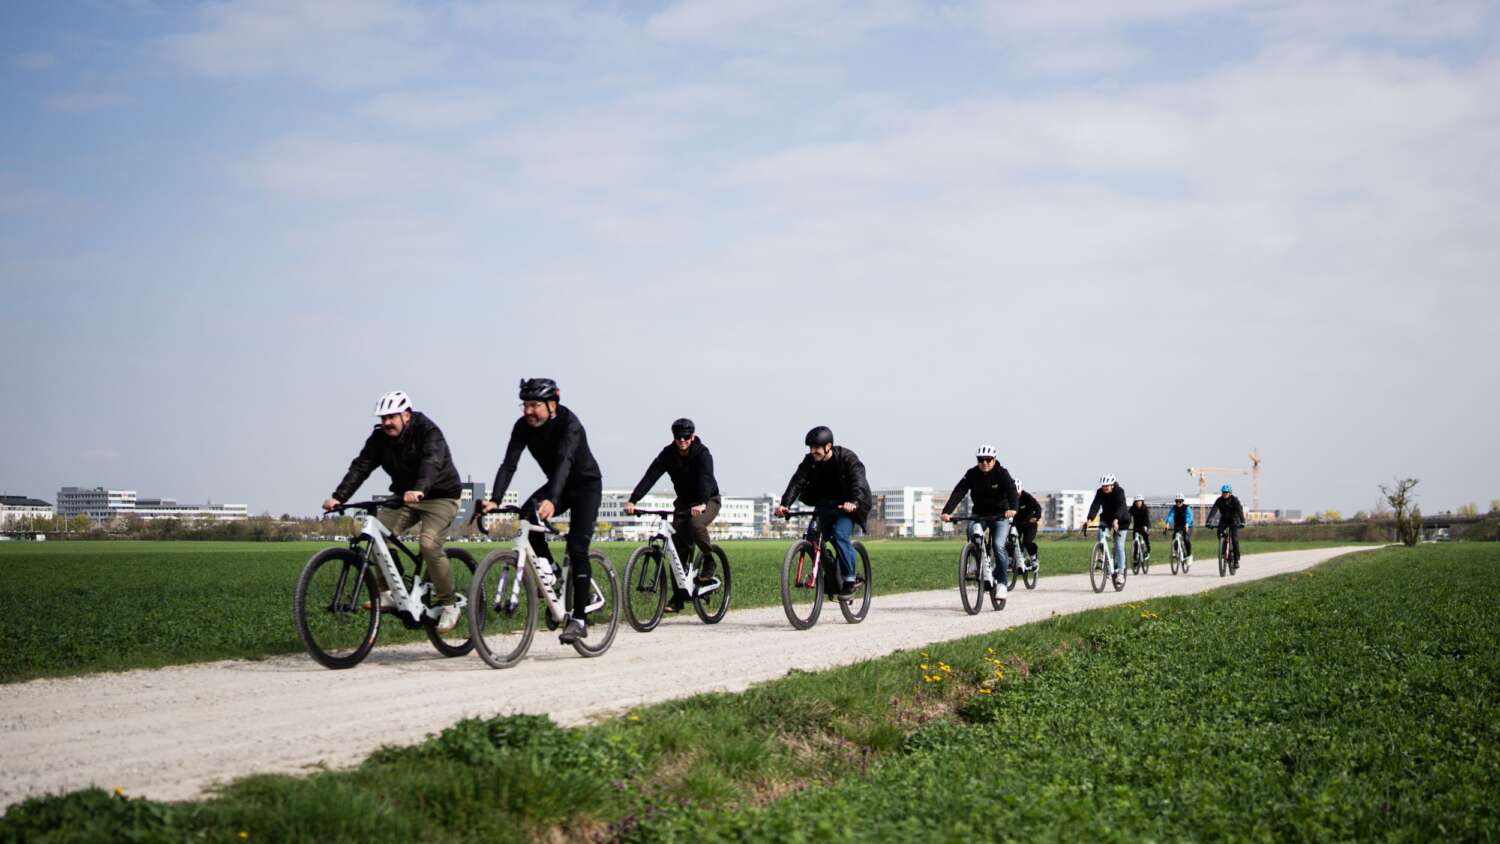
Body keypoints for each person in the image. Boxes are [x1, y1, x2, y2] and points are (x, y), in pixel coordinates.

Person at [324, 390, 463, 633]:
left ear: (406, 415)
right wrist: (339, 497)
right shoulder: (379, 438)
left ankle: (449, 604)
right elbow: (361, 466)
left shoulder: (428, 431)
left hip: (441, 496)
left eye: (391, 417)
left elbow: (432, 462)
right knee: (374, 533)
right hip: (405, 498)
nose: (386, 423)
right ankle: (390, 591)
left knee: (429, 545)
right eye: (383, 418)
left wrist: (419, 489)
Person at [481, 378, 603, 645]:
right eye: (525, 405)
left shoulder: (570, 424)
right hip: (558, 484)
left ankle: (580, 620)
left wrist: (552, 500)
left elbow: (564, 461)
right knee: (526, 516)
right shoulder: (522, 427)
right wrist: (495, 499)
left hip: (585, 485)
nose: (528, 411)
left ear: (552, 405)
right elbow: (509, 464)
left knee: (577, 547)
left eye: (534, 405)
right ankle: (553, 573)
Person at [624, 417, 721, 613]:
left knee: (695, 525)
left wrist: (702, 503)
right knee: (675, 548)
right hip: (684, 504)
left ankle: (709, 558)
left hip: (708, 500)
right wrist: (633, 500)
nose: (682, 441)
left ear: (692, 436)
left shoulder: (702, 454)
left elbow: (706, 479)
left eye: (686, 437)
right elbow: (651, 476)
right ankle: (678, 598)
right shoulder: (668, 454)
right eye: (678, 438)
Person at [774, 426, 872, 598]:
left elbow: (859, 482)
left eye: (816, 448)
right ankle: (830, 573)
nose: (812, 451)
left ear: (828, 446)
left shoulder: (847, 458)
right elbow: (797, 481)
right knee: (812, 538)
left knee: (839, 535)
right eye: (810, 448)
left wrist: (854, 502)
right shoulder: (810, 461)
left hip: (847, 506)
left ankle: (850, 580)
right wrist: (785, 504)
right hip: (824, 504)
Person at [939, 445, 1018, 593]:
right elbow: (959, 491)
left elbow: (1012, 491)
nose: (984, 463)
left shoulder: (1002, 473)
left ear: (994, 459)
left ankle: (1001, 583)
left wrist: (1013, 508)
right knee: (972, 530)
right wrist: (947, 511)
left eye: (988, 459)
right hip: (980, 514)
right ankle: (976, 560)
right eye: (981, 460)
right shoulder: (972, 474)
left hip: (1000, 515)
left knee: (998, 546)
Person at [1083, 474, 1129, 587]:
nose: (1105, 488)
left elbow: (1121, 507)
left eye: (1107, 486)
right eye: (1103, 486)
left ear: (1112, 485)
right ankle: (1102, 558)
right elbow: (1095, 505)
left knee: (1118, 545)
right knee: (1100, 534)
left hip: (1121, 520)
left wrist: (1116, 520)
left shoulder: (1119, 492)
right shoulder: (1100, 492)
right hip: (1107, 519)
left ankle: (1121, 573)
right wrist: (1089, 519)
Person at [1207, 484, 1246, 563]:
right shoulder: (1219, 500)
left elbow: (1239, 511)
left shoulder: (1235, 500)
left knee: (1235, 540)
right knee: (1219, 532)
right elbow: (1214, 510)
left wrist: (1242, 521)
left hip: (1234, 520)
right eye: (1223, 492)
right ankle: (1224, 548)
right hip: (1224, 519)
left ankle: (1236, 559)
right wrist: (1209, 521)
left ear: (1230, 493)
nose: (1224, 494)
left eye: (1226, 492)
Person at [1014, 480, 1042, 564]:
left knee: (1027, 542)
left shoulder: (1027, 497)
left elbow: (1037, 507)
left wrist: (1036, 517)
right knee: (1013, 541)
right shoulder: (1009, 497)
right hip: (1017, 524)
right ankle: (1016, 558)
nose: (1016, 496)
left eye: (1018, 494)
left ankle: (1033, 558)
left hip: (1030, 524)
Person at [1164, 493, 1194, 562]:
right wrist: (1168, 523)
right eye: (1176, 501)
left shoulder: (1187, 508)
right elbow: (1171, 515)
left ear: (1183, 501)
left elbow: (1189, 517)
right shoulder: (1174, 508)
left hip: (1188, 526)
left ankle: (1189, 555)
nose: (1178, 503)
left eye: (1180, 501)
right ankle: (1176, 551)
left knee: (1186, 539)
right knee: (1174, 537)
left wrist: (1187, 524)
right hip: (1178, 526)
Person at [1128, 495, 1152, 560]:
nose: (1138, 503)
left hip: (1145, 525)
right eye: (1136, 501)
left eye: (1139, 501)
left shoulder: (1145, 508)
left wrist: (1145, 526)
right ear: (1135, 502)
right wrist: (1126, 523)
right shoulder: (1132, 508)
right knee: (1135, 541)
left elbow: (1147, 518)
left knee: (1145, 536)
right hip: (1136, 526)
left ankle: (1148, 548)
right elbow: (1128, 515)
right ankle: (1135, 557)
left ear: (1142, 502)